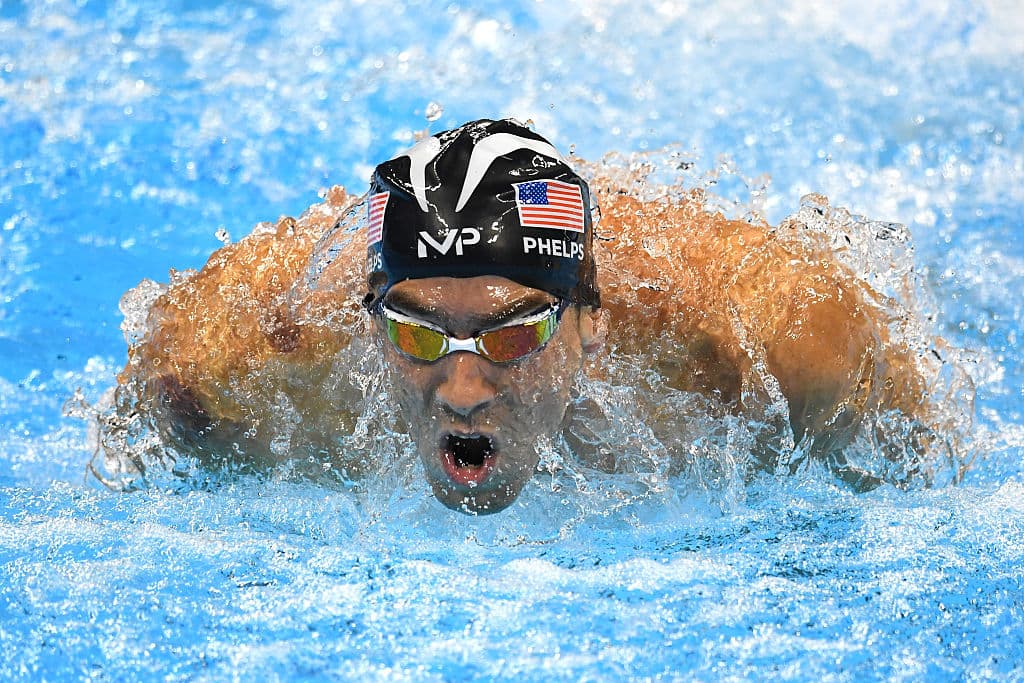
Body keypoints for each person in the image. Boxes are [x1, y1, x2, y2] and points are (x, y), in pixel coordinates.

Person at [97, 118, 968, 513]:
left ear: (592, 320)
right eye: (416, 333)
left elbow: (913, 472)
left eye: (512, 334)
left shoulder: (766, 347)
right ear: (371, 321)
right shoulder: (236, 372)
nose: (465, 387)